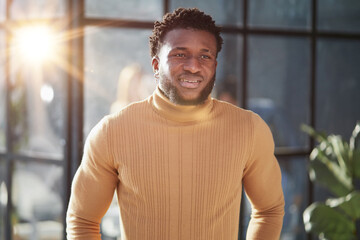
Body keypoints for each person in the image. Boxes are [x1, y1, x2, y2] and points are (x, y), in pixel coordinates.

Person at [66, 7, 284, 240]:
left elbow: (269, 210)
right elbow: (83, 221)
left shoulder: (249, 129)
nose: (193, 66)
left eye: (205, 56)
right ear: (156, 65)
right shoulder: (112, 132)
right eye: (180, 54)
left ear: (215, 66)